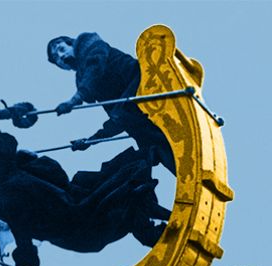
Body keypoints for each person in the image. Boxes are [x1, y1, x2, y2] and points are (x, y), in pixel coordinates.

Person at [0, 114, 170, 266]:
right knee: (122, 188)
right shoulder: (7, 182)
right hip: (80, 222)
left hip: (84, 229)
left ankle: (149, 219)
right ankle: (148, 215)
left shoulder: (20, 207)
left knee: (117, 193)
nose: (42, 161)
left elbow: (26, 251)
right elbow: (1, 151)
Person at [47, 33, 176, 174]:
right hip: (134, 111)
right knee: (150, 148)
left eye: (61, 49)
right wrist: (90, 140)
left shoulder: (88, 44)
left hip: (143, 83)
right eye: (56, 58)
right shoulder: (84, 80)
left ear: (71, 44)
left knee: (127, 115)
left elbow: (95, 67)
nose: (61, 56)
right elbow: (116, 118)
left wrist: (75, 100)